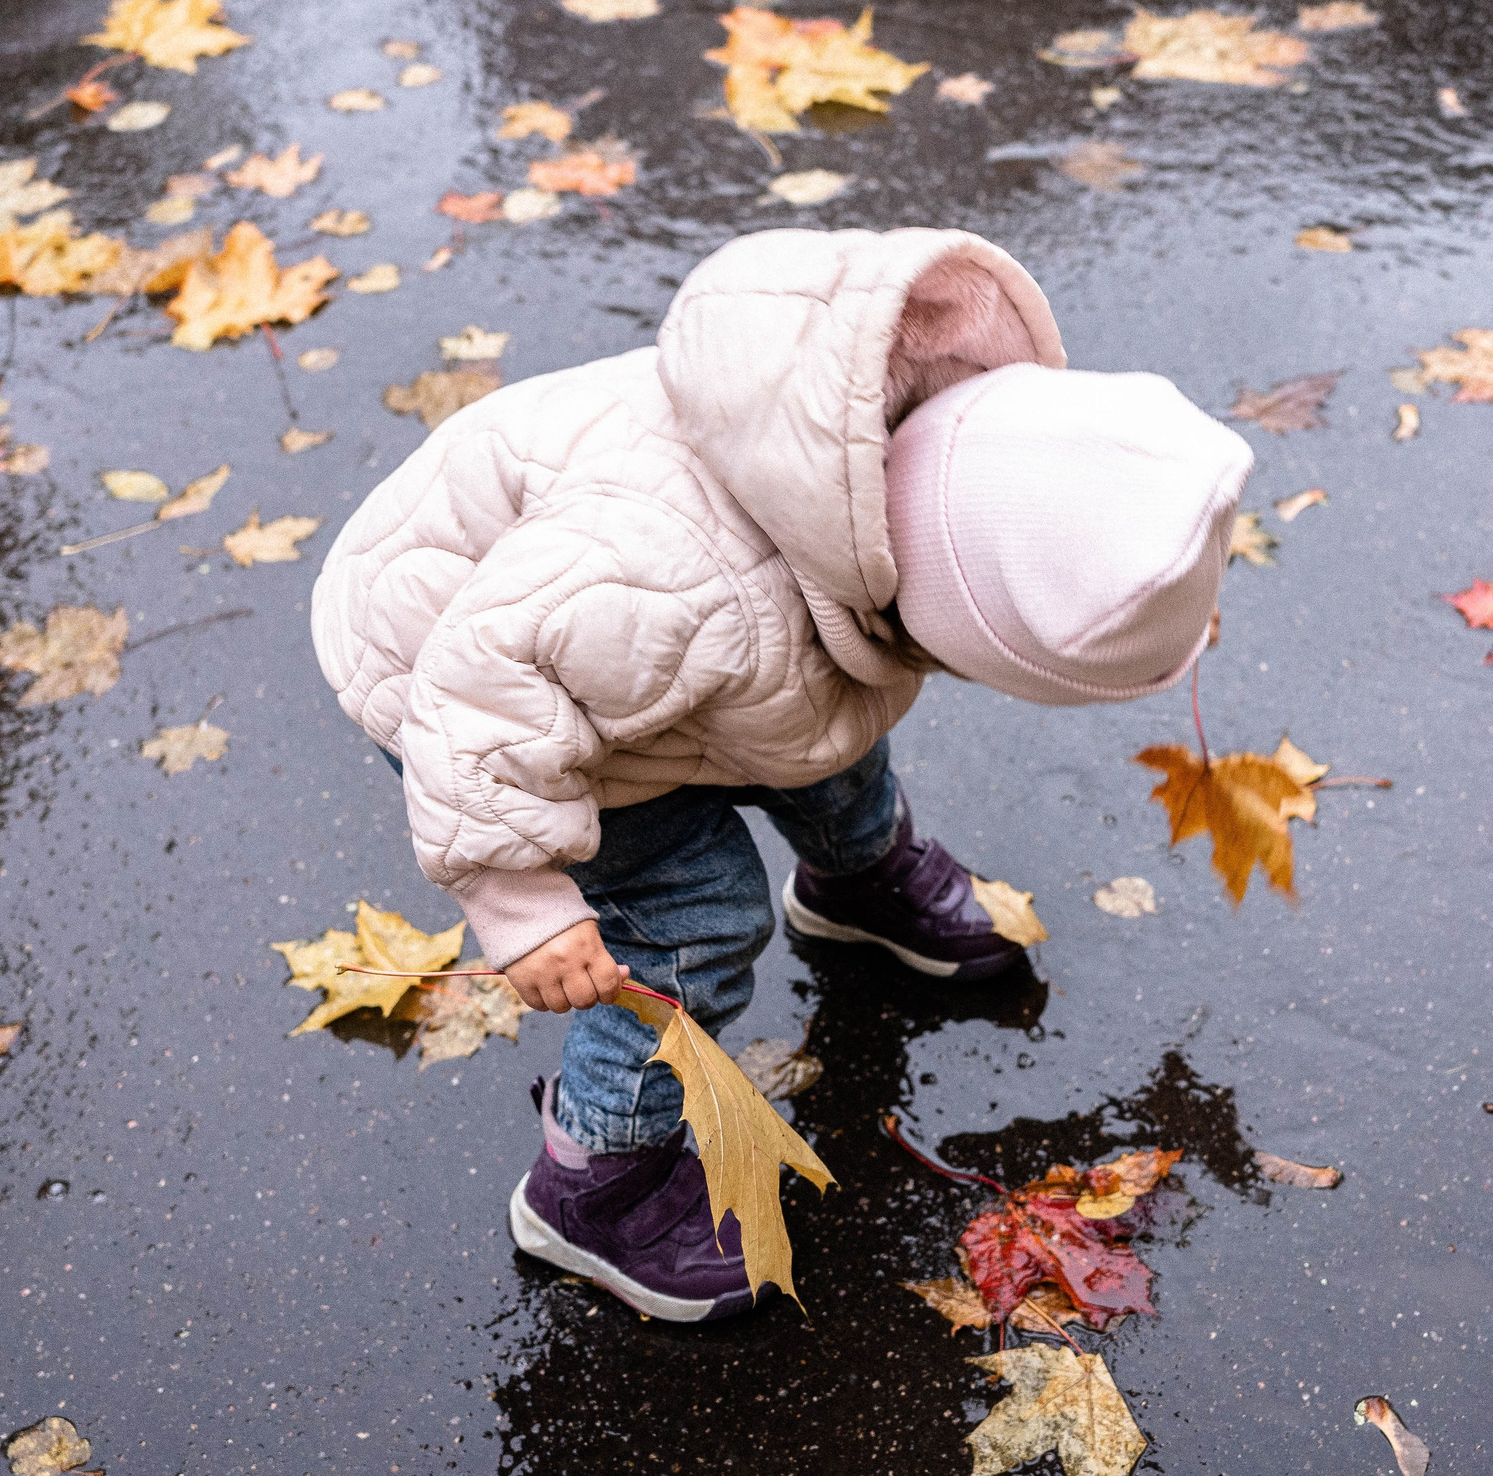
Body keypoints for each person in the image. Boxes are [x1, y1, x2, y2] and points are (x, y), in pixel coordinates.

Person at [310, 228, 1252, 1320]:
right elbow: (477, 692)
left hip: (633, 651)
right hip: (457, 676)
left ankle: (855, 881)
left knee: (827, 733)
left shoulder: (891, 467)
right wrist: (517, 895)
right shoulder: (668, 582)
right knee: (692, 916)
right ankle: (592, 1183)